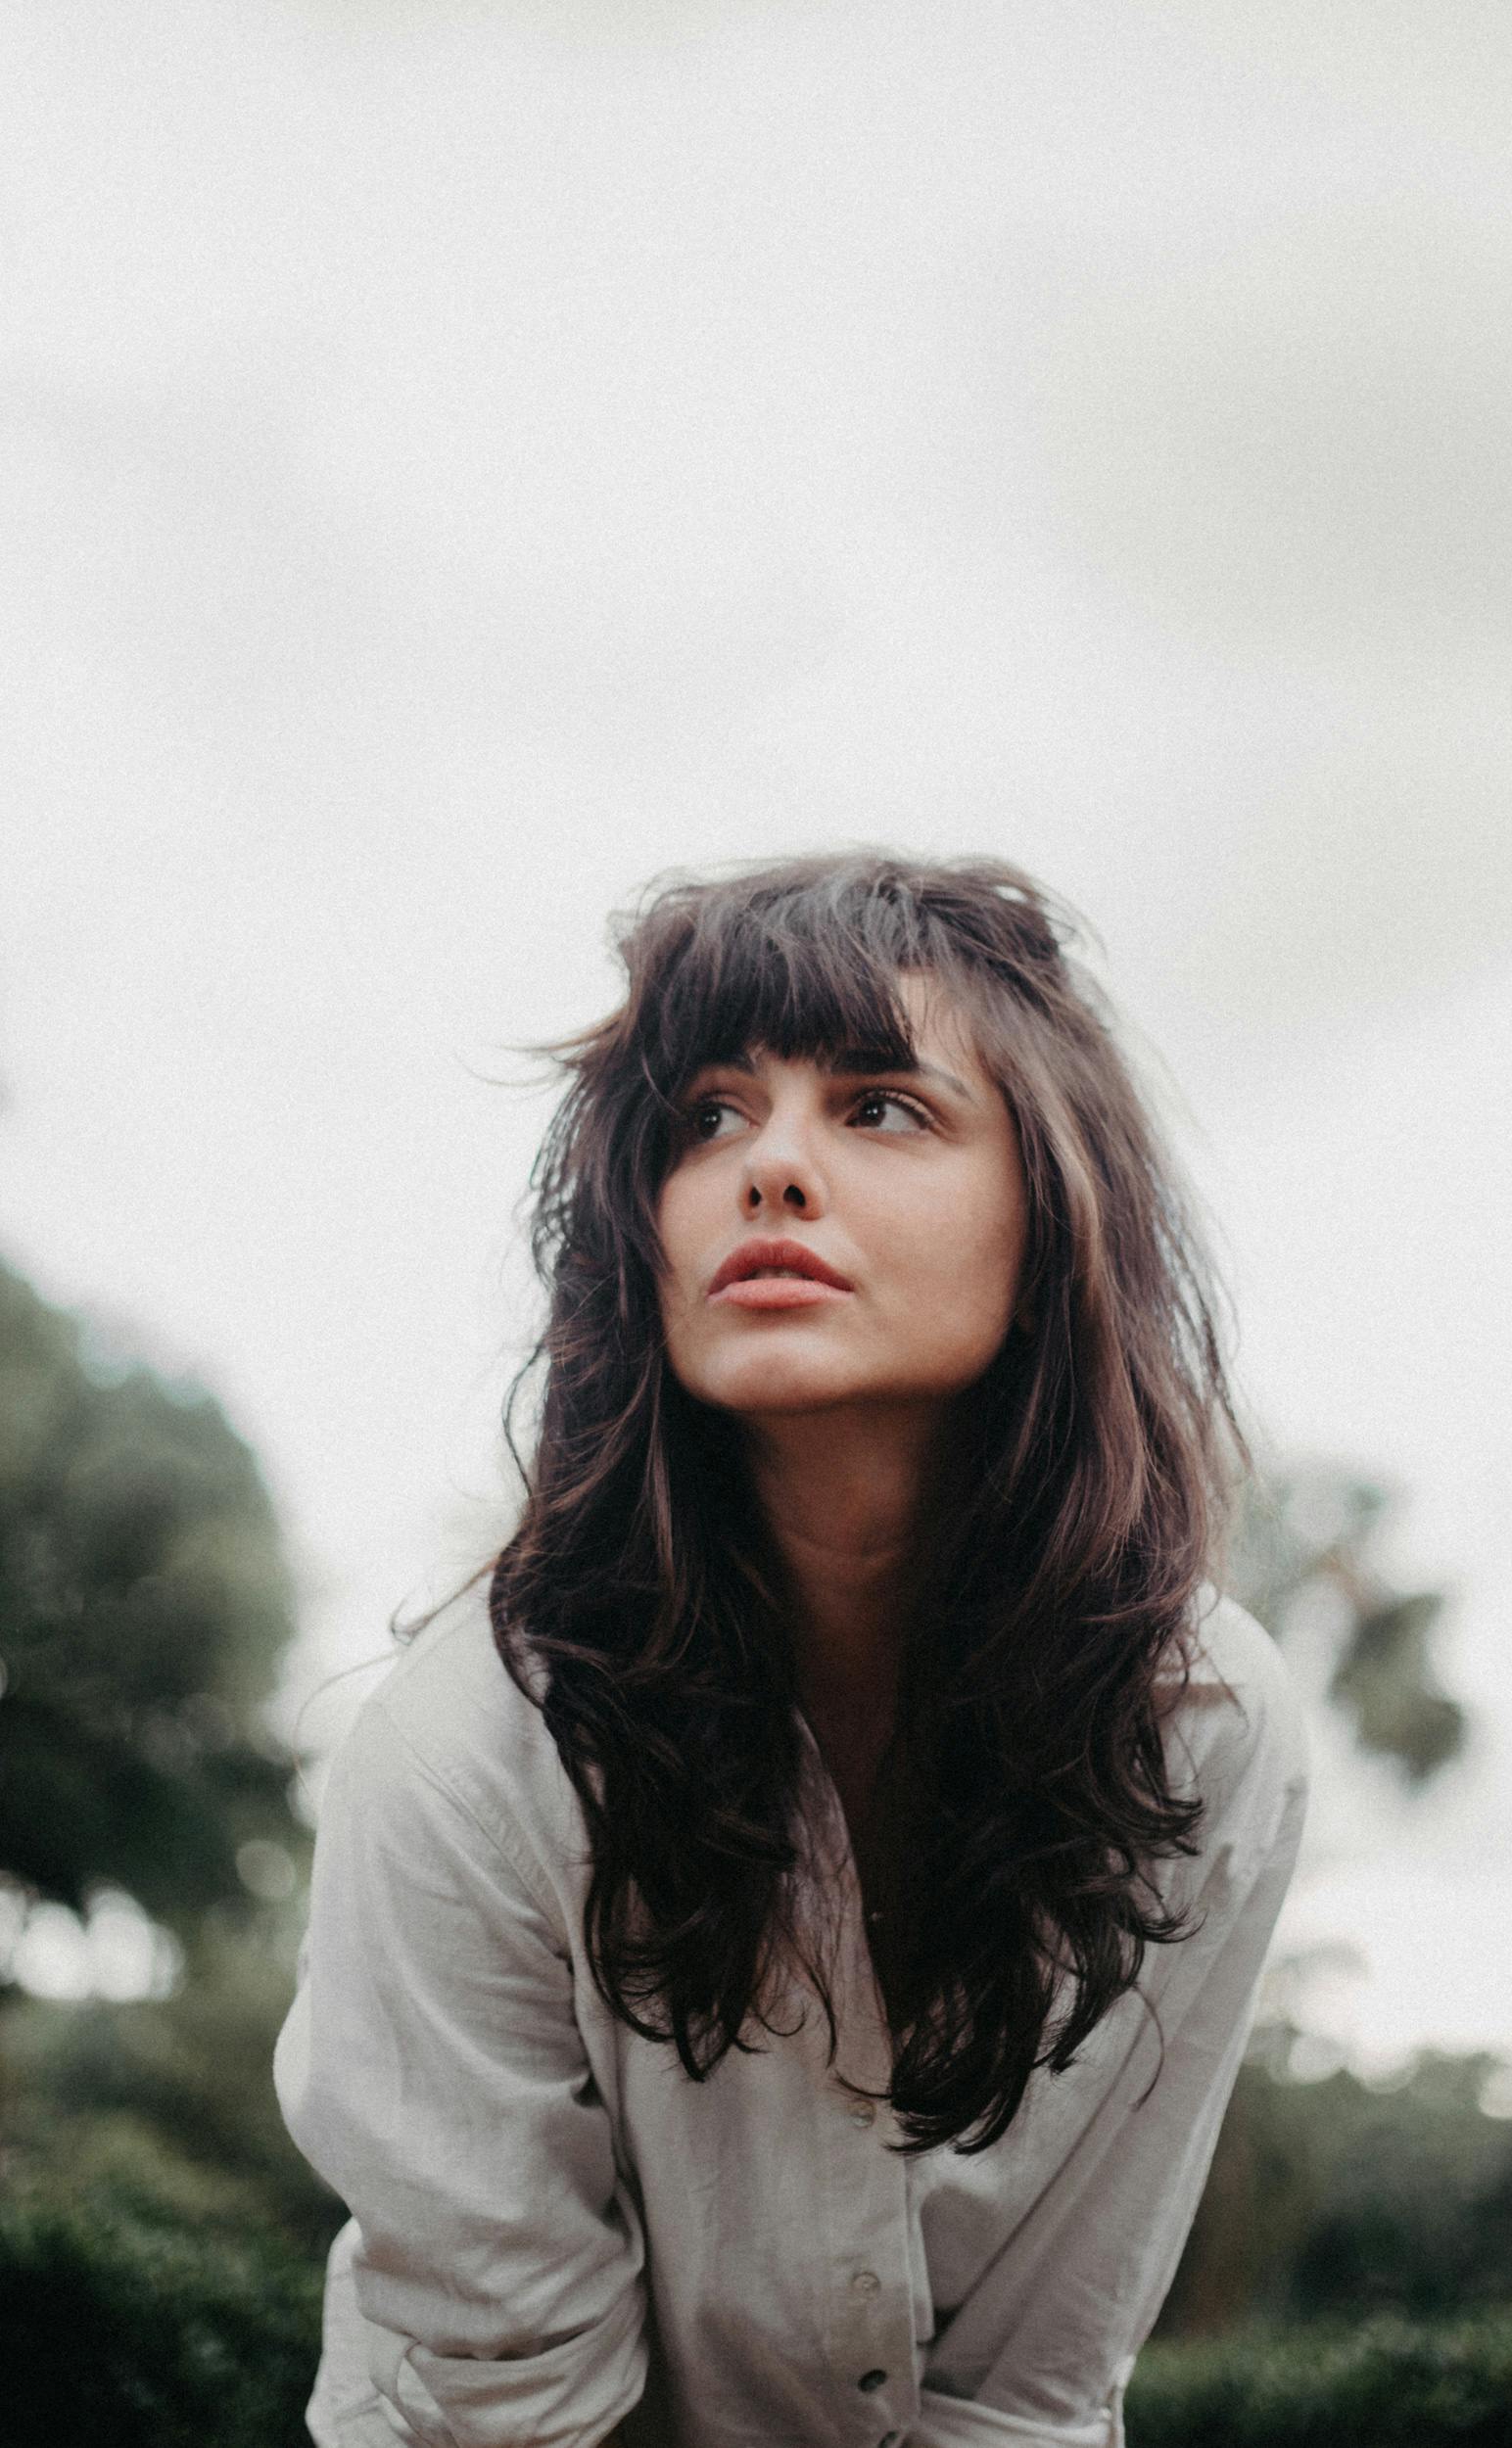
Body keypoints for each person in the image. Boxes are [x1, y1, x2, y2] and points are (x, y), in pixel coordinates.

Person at [274, 851, 1308, 2448]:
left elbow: (1034, 2388)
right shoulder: (471, 1753)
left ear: (1054, 1216)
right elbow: (508, 2411)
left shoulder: (1205, 1724)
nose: (771, 1169)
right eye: (709, 1116)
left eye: (882, 1105)